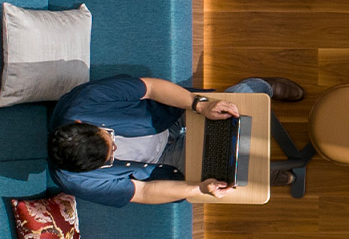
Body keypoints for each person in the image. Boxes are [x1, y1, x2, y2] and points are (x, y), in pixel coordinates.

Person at [47, 75, 305, 206]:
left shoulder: (85, 100)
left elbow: (151, 88)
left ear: (82, 124)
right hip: (161, 163)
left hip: (169, 115)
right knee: (227, 181)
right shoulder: (77, 181)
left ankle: (261, 86)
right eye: (110, 157)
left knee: (233, 108)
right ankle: (261, 171)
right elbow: (144, 192)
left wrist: (199, 105)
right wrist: (200, 189)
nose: (116, 148)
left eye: (110, 140)